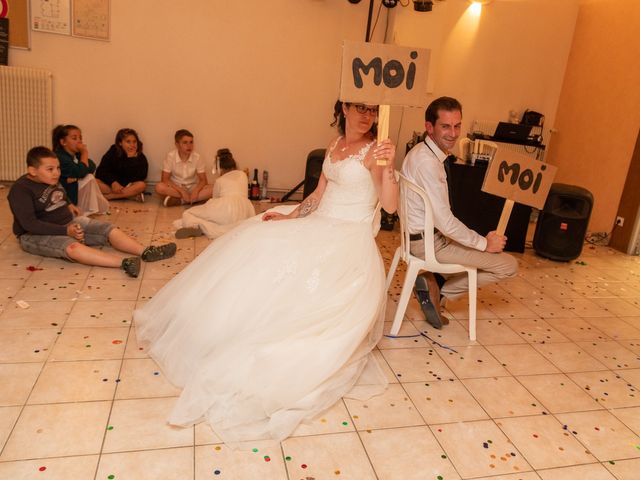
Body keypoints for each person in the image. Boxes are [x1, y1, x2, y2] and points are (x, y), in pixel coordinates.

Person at [134, 100, 398, 444]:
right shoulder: (334, 145)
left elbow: (390, 206)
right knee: (262, 236)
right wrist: (290, 217)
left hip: (347, 234)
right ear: (344, 108)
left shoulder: (374, 151)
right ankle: (218, 331)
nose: (367, 116)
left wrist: (389, 167)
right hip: (320, 221)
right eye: (360, 108)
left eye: (372, 111)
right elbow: (318, 193)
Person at [401, 96, 518, 329]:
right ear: (429, 127)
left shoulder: (421, 151)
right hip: (429, 244)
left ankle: (436, 284)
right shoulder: (428, 163)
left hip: (422, 237)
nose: (453, 134)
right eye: (445, 126)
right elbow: (445, 222)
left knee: (475, 246)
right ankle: (441, 291)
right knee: (508, 266)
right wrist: (485, 243)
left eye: (457, 125)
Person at [8, 146, 177, 278]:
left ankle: (146, 252)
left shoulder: (49, 178)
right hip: (34, 234)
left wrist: (68, 204)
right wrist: (65, 231)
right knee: (72, 247)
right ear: (32, 171)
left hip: (67, 224)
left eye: (58, 168)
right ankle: (124, 263)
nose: (57, 173)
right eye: (50, 169)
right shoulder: (20, 190)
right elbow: (29, 224)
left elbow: (59, 192)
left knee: (107, 229)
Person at [172, 148, 255, 239]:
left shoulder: (220, 180)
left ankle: (198, 226)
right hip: (244, 211)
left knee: (188, 213)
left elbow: (215, 199)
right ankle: (205, 226)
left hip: (225, 209)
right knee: (220, 219)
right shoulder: (243, 175)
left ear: (219, 168)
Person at [52, 124, 110, 216]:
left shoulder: (77, 155)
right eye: (74, 138)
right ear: (63, 142)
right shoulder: (60, 157)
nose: (79, 141)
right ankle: (83, 210)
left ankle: (89, 208)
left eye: (80, 138)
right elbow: (81, 172)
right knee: (90, 178)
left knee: (91, 178)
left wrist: (77, 176)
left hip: (73, 187)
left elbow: (92, 166)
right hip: (66, 195)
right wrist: (85, 153)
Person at [155, 129, 213, 207]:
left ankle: (181, 201)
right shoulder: (170, 156)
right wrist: (182, 191)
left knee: (214, 188)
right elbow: (165, 179)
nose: (189, 146)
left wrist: (196, 191)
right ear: (177, 144)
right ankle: (194, 200)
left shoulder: (197, 157)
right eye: (185, 142)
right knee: (159, 187)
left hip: (192, 187)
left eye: (191, 142)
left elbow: (203, 180)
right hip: (176, 187)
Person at [96, 128, 148, 202]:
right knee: (94, 182)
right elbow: (101, 171)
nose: (132, 145)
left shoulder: (140, 157)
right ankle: (128, 195)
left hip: (128, 186)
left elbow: (141, 177)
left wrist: (131, 160)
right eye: (128, 142)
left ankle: (109, 197)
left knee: (142, 185)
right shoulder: (113, 151)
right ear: (120, 143)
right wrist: (113, 183)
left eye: (134, 142)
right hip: (110, 185)